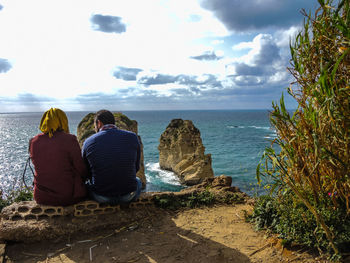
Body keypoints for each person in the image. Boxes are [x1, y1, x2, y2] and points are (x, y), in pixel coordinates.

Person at [29, 108, 88, 206]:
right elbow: (81, 168)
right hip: (68, 196)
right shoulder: (70, 139)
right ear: (63, 120)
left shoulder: (34, 141)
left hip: (41, 197)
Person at [82, 109, 142, 205]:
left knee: (86, 185)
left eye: (94, 125)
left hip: (101, 197)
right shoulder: (132, 137)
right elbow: (136, 167)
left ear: (98, 123)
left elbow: (85, 172)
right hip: (128, 195)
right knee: (138, 181)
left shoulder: (88, 142)